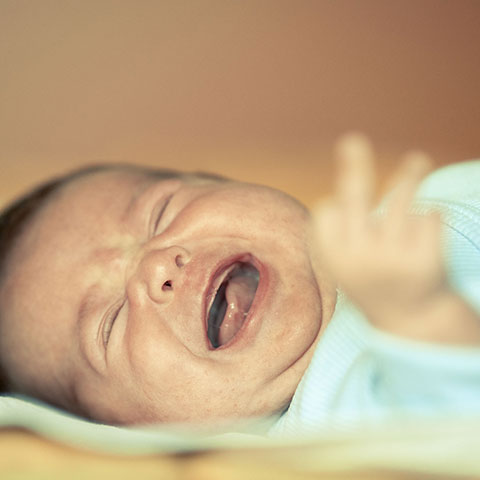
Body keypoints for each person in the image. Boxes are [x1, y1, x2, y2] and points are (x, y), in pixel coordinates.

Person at [0, 134, 478, 431]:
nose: (156, 267)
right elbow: (454, 438)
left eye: (158, 213)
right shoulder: (331, 424)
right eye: (108, 324)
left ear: (226, 181)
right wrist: (423, 317)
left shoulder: (416, 202)